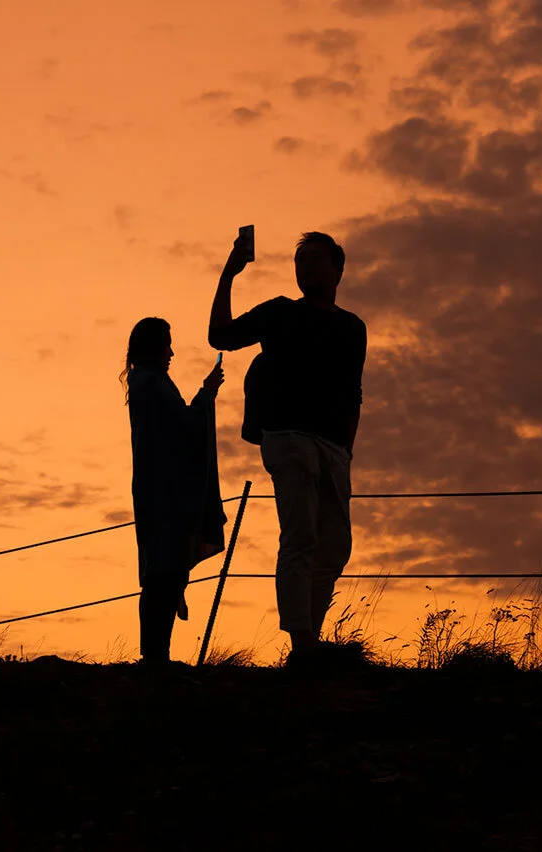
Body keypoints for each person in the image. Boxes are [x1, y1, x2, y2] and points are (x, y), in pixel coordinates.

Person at [207, 230, 367, 666]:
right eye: (301, 261)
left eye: (315, 259)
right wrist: (229, 274)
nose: (306, 266)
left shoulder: (353, 328)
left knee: (335, 545)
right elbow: (220, 336)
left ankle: (309, 637)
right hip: (289, 438)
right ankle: (302, 643)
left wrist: (347, 450)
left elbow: (354, 392)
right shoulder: (280, 312)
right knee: (300, 537)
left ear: (337, 270)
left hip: (333, 446)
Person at [121, 317, 228, 664]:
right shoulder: (151, 384)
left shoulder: (147, 383)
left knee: (165, 570)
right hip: (164, 493)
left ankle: (156, 654)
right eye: (167, 345)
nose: (171, 353)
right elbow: (185, 428)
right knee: (163, 572)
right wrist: (206, 393)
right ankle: (155, 656)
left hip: (159, 489)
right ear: (154, 347)